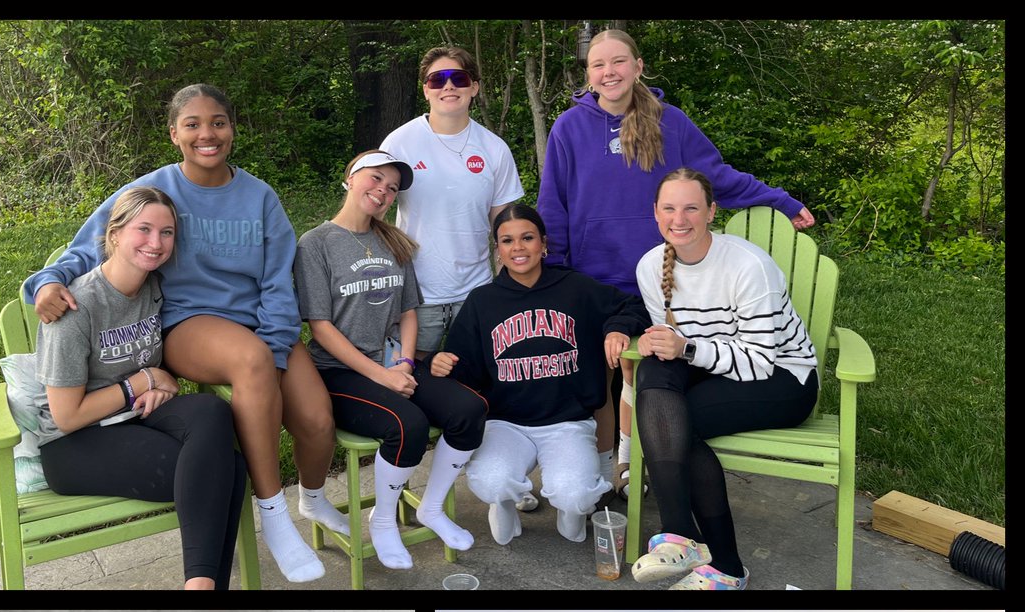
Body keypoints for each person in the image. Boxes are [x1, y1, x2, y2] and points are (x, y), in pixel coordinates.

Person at [25, 84, 348, 584]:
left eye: (218, 122)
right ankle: (273, 516)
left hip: (259, 328)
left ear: (232, 129)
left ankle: (311, 499)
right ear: (174, 132)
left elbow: (278, 282)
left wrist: (278, 347)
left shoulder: (260, 197)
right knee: (251, 362)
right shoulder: (155, 189)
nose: (207, 134)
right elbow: (93, 244)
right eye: (192, 124)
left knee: (317, 422)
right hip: (188, 325)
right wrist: (46, 281)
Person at [537, 27, 815, 498]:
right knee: (591, 378)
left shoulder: (670, 121)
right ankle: (596, 471)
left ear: (638, 66)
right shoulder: (569, 127)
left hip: (659, 279)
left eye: (618, 62)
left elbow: (715, 178)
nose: (609, 72)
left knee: (638, 372)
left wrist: (779, 199)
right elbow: (553, 206)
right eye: (598, 65)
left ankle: (634, 466)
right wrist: (556, 272)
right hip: (592, 277)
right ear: (588, 75)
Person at [31, 186, 246, 591]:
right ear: (114, 234)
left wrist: (159, 381)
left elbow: (153, 357)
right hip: (73, 443)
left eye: (167, 233)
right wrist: (141, 382)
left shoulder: (153, 288)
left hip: (132, 418)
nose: (156, 242)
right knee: (227, 469)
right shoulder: (74, 309)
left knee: (212, 411)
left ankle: (201, 587)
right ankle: (203, 586)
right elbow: (67, 415)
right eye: (143, 229)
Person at [293, 150, 488, 570]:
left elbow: (407, 312)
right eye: (376, 179)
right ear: (350, 177)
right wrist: (381, 375)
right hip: (338, 371)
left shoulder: (392, 241)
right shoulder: (316, 243)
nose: (383, 191)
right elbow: (321, 327)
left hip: (392, 362)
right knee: (407, 425)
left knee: (470, 409)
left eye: (392, 188)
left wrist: (403, 364)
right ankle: (382, 522)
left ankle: (431, 508)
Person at [630, 168, 818, 589]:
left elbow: (759, 363)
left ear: (712, 212)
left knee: (678, 421)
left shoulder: (748, 265)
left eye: (691, 207)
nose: (680, 219)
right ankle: (681, 537)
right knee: (656, 374)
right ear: (655, 213)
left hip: (784, 379)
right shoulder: (649, 267)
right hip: (715, 370)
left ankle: (727, 566)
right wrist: (660, 344)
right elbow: (676, 344)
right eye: (669, 208)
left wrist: (685, 349)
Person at [431, 203, 647, 546]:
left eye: (527, 238)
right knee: (490, 481)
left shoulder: (575, 288)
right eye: (507, 241)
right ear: (498, 250)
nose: (518, 247)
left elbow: (632, 305)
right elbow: (462, 364)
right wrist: (441, 361)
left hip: (567, 423)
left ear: (543, 244)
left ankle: (570, 512)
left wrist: (618, 328)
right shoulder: (482, 300)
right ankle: (504, 503)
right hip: (505, 423)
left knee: (576, 494)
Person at [380, 44, 524, 357]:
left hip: (477, 291)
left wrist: (504, 289)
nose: (448, 86)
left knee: (478, 378)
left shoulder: (494, 148)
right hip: (416, 292)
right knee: (415, 378)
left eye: (458, 78)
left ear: (474, 87)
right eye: (437, 79)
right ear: (426, 90)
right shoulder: (399, 143)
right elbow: (373, 214)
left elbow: (505, 227)